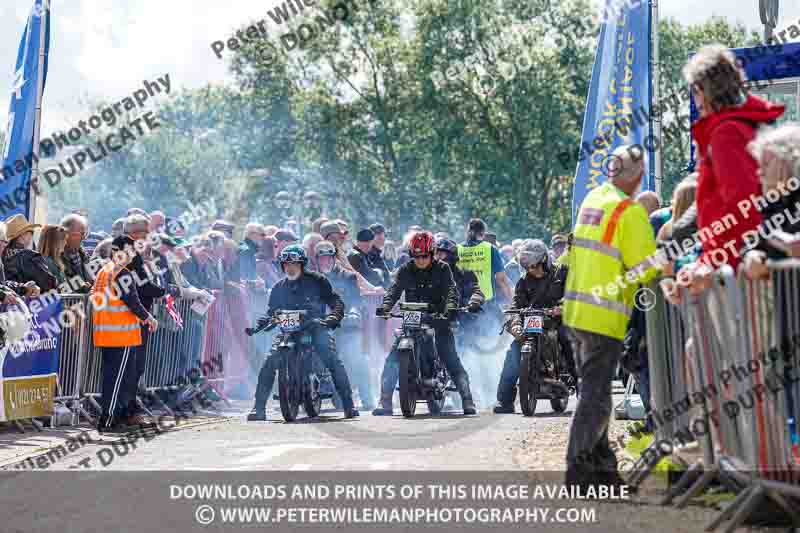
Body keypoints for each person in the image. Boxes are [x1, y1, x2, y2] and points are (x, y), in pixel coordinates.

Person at [562, 144, 660, 489]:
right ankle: (578, 472)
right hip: (603, 317)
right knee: (595, 396)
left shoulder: (593, 199)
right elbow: (648, 267)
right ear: (636, 178)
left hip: (577, 312)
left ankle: (603, 474)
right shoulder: (628, 212)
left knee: (597, 394)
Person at [679, 44, 784, 292]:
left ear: (704, 90)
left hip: (734, 278)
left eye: (694, 91)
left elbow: (741, 208)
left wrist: (708, 263)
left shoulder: (727, 134)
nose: (695, 100)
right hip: (740, 268)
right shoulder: (748, 125)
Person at [248, 244, 359, 420]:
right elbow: (271, 312)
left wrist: (332, 318)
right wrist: (262, 323)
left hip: (315, 329)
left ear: (302, 264)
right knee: (270, 360)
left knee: (331, 358)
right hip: (288, 333)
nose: (290, 268)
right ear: (282, 266)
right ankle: (258, 407)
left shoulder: (318, 280)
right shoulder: (278, 287)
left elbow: (336, 302)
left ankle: (348, 404)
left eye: (294, 264)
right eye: (286, 264)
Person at [372, 231, 477, 416]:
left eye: (424, 256)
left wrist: (450, 310)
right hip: (412, 317)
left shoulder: (443, 269)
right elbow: (394, 290)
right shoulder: (405, 269)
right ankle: (385, 400)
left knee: (449, 356)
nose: (420, 260)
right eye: (416, 256)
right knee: (393, 358)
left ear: (431, 254)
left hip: (437, 318)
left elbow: (452, 291)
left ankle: (467, 398)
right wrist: (386, 306)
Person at [494, 239, 576, 413]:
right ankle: (505, 400)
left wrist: (562, 308)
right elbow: (515, 307)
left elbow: (575, 295)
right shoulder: (523, 282)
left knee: (567, 340)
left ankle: (583, 390)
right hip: (532, 325)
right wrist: (515, 324)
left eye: (535, 266)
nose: (532, 270)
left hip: (558, 322)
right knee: (514, 351)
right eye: (528, 267)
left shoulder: (562, 273)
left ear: (544, 261)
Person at [92, 235, 158, 433]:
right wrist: (149, 318)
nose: (131, 256)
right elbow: (133, 302)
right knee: (117, 379)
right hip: (121, 335)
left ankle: (113, 417)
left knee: (112, 377)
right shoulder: (121, 273)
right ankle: (109, 420)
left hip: (107, 333)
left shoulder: (105, 271)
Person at [316, 240, 373, 410]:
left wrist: (354, 312)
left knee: (357, 356)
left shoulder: (348, 277)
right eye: (322, 259)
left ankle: (367, 398)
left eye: (328, 258)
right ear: (317, 260)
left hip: (344, 324)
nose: (325, 262)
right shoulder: (312, 278)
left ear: (334, 259)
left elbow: (356, 300)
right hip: (319, 325)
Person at [457, 218, 514, 305]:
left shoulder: (457, 249)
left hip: (462, 301)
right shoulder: (490, 248)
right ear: (483, 233)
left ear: (467, 232)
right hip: (486, 302)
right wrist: (511, 302)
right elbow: (501, 279)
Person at [3, 214, 56, 293]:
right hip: (33, 302)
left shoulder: (2, 257)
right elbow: (48, 283)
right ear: (22, 236)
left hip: (10, 301)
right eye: (30, 233)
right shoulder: (30, 256)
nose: (31, 237)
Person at [0, 222, 38, 303]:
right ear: (21, 236)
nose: (5, 245)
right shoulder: (28, 255)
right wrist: (2, 295)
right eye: (29, 232)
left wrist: (23, 287)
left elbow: (3, 284)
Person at [60, 213, 93, 291]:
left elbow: (91, 279)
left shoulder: (83, 255)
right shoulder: (57, 257)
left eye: (84, 233)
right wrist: (81, 287)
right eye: (81, 233)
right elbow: (59, 286)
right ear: (66, 234)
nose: (83, 238)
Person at [37, 225, 68, 290]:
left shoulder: (41, 260)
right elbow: (61, 289)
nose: (65, 243)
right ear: (56, 242)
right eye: (64, 240)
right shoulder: (50, 263)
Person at [239, 222, 266, 287]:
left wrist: (258, 279)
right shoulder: (246, 251)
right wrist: (256, 282)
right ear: (252, 234)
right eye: (262, 235)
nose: (264, 238)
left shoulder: (250, 250)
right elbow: (244, 276)